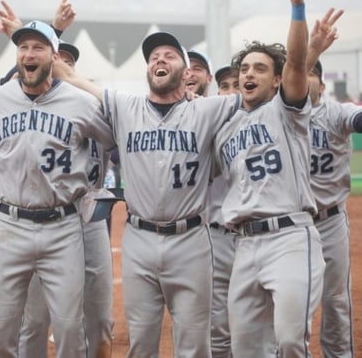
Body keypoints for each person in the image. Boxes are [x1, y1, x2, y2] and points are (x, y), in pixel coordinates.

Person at [54, 23, 244, 355]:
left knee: (195, 344)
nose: (160, 59)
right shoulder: (126, 107)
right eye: (154, 56)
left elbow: (261, 96)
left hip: (191, 241)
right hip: (139, 239)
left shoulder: (206, 109)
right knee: (141, 344)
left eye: (170, 55)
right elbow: (71, 78)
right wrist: (47, 33)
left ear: (186, 72)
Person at [0, 20, 116, 358]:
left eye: (38, 47)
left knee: (68, 329)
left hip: (64, 226)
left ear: (54, 56)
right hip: (9, 225)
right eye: (23, 47)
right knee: (1, 331)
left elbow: (118, 143)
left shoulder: (81, 103)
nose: (29, 54)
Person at [212, 0, 335, 355]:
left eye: (260, 68)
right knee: (246, 347)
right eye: (244, 69)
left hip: (290, 239)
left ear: (276, 81)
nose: (249, 74)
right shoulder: (224, 128)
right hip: (245, 244)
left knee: (289, 341)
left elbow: (297, 64)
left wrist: (297, 8)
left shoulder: (288, 112)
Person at [16, 40, 115, 358]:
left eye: (67, 62)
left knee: (98, 318)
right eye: (56, 60)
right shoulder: (27, 107)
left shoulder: (95, 104)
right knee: (35, 319)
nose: (61, 68)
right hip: (42, 219)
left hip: (89, 217)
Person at [305, 10, 358, 356]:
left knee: (336, 300)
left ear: (322, 86)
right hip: (292, 223)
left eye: (311, 74)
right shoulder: (276, 113)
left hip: (330, 221)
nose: (304, 78)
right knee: (295, 302)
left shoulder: (335, 112)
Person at [207, 63, 240, 358]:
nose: (230, 93)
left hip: (254, 238)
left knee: (259, 325)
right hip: (215, 237)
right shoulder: (208, 127)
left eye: (236, 85)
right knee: (218, 327)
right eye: (225, 86)